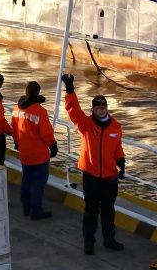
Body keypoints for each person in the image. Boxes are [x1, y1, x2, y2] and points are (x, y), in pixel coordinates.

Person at [63, 74, 126, 254]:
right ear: (93, 109)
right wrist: (70, 89)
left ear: (107, 108)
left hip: (109, 177)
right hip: (90, 175)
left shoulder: (116, 127)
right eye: (97, 107)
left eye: (103, 106)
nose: (100, 109)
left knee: (108, 210)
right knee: (90, 211)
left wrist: (121, 161)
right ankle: (88, 242)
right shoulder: (86, 125)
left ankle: (109, 239)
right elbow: (73, 110)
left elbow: (117, 149)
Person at [12, 80, 57, 220]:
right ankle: (36, 210)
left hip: (24, 152)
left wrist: (16, 142)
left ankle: (26, 207)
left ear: (26, 92)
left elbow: (13, 128)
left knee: (26, 179)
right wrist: (53, 145)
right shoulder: (40, 111)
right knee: (38, 183)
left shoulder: (17, 109)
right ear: (38, 92)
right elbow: (46, 133)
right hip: (39, 154)